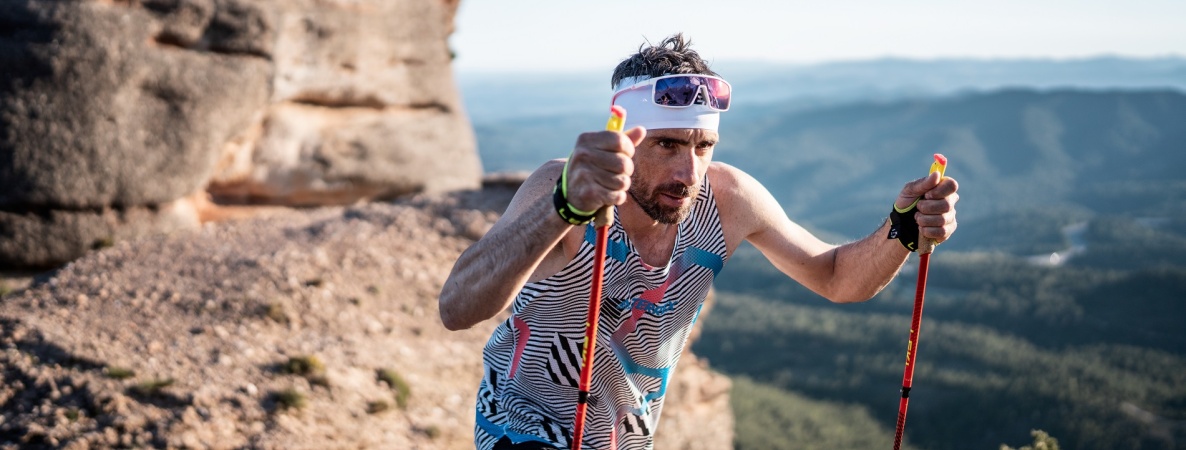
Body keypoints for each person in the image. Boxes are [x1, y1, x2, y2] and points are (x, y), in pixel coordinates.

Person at [439, 33, 959, 450]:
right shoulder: (565, 187)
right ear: (625, 138)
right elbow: (457, 308)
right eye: (667, 144)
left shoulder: (729, 199)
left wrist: (902, 230)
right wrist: (562, 207)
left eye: (704, 146)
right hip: (521, 426)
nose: (689, 172)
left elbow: (837, 277)